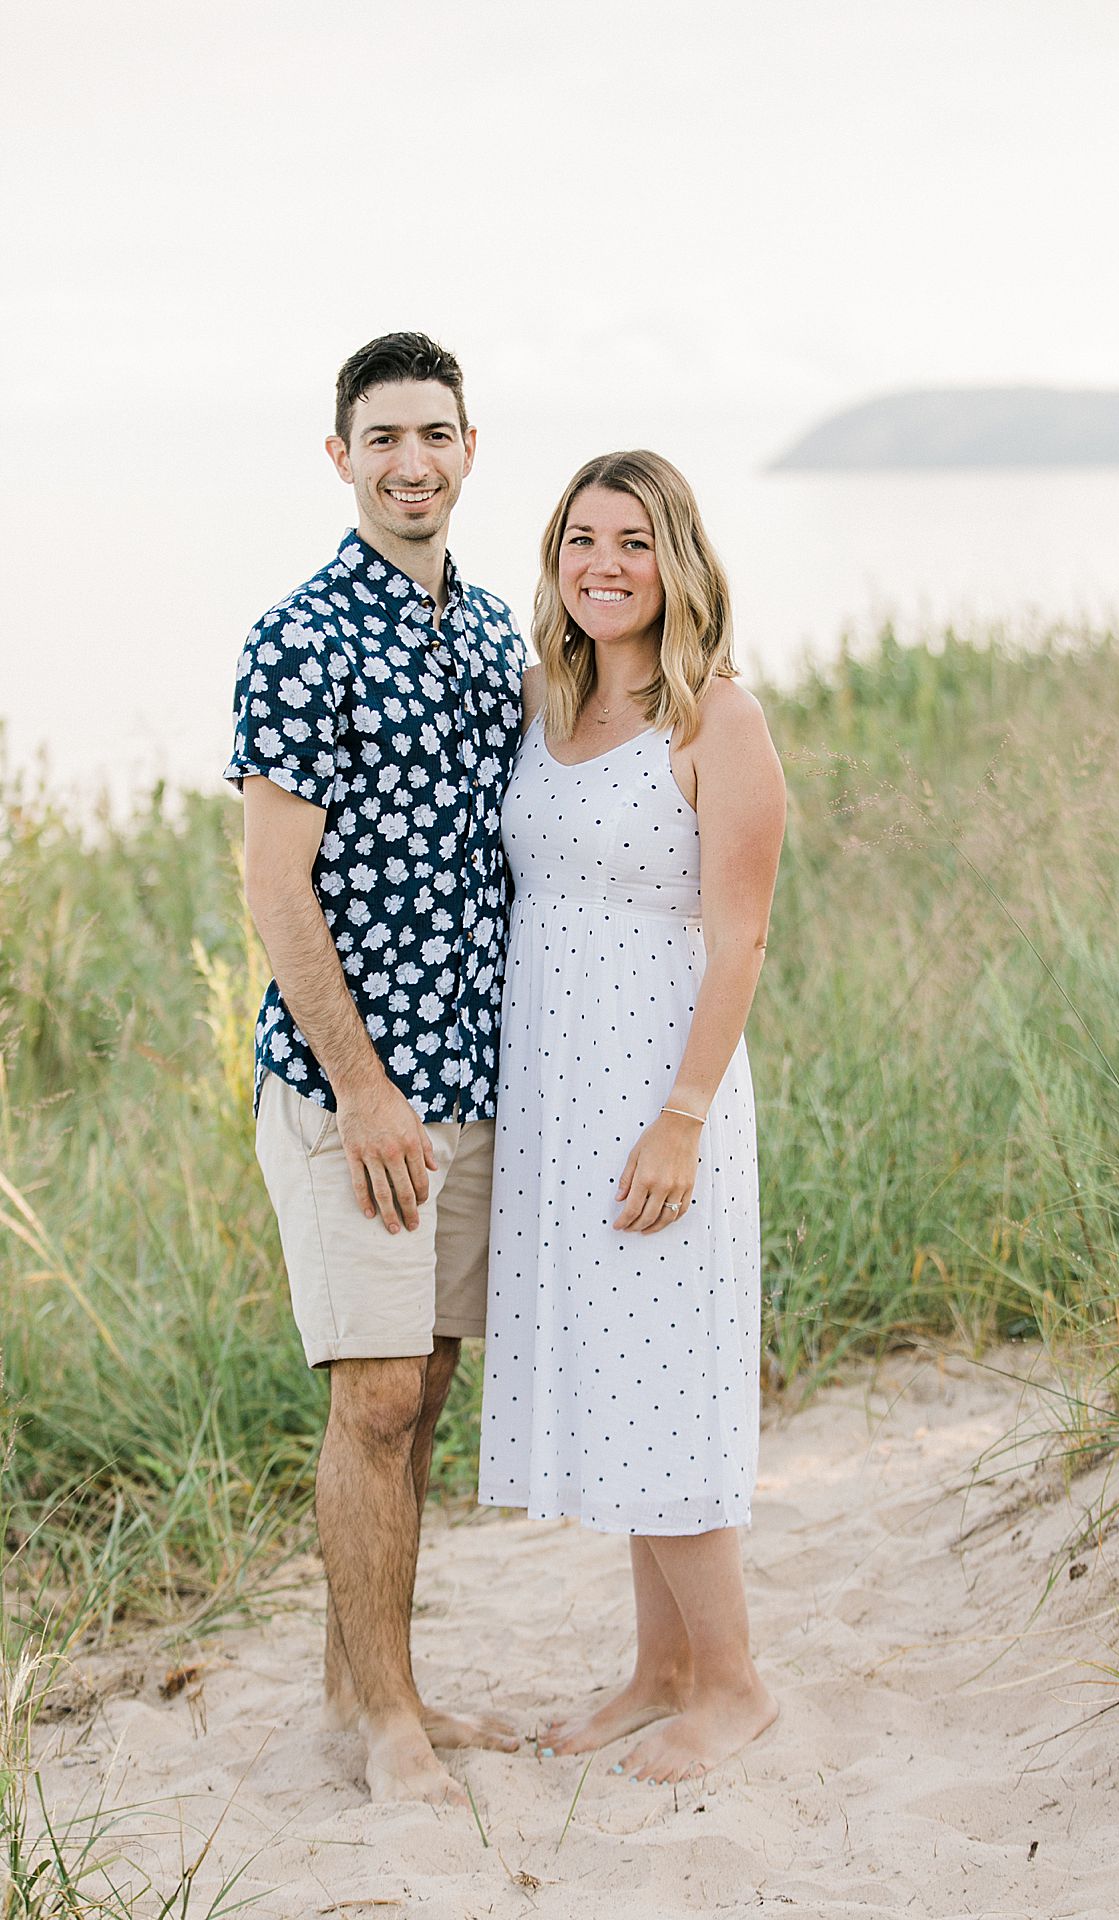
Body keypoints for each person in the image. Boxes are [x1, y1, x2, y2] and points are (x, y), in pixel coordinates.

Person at [224, 332, 525, 1805]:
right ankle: (388, 1725)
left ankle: (367, 1687)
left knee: (430, 1381)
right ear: (341, 458)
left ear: (471, 450)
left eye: (438, 434)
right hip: (358, 1091)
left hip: (471, 1076)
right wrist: (362, 1090)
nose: (414, 461)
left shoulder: (492, 637)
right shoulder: (300, 636)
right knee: (378, 1396)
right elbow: (277, 890)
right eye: (384, 437)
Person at [478, 450, 786, 1783]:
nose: (605, 563)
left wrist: (684, 1116)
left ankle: (733, 1684)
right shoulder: (548, 705)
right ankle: (660, 1669)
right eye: (583, 538)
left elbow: (743, 938)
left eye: (635, 541)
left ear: (679, 563)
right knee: (617, 1378)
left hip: (662, 1097)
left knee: (665, 1381)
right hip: (559, 1096)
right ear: (557, 558)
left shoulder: (719, 720)